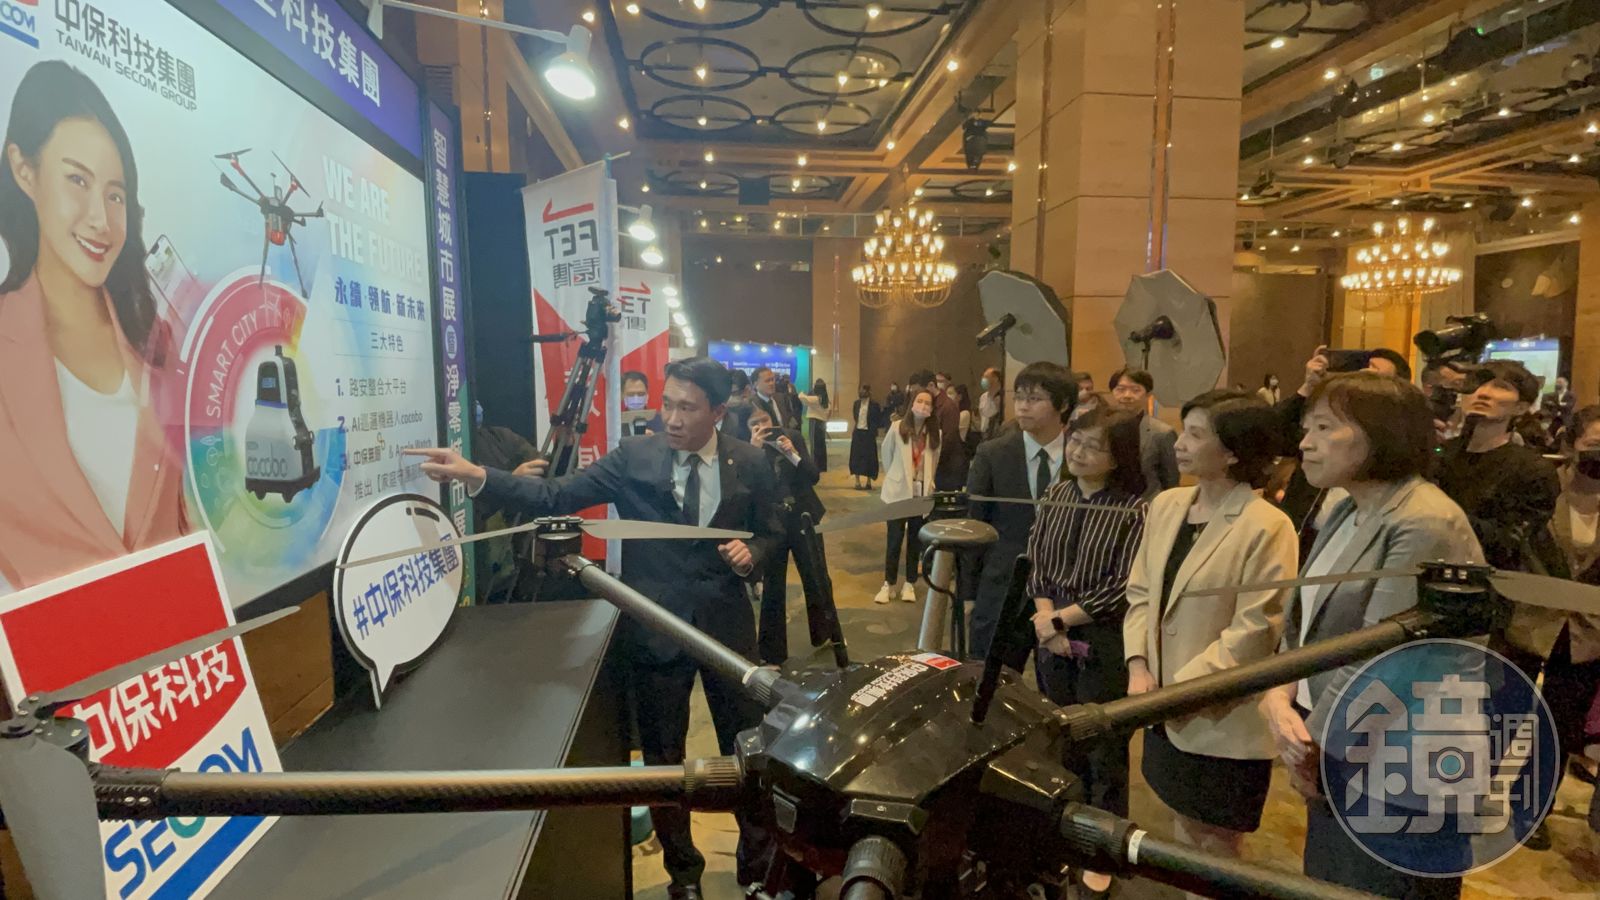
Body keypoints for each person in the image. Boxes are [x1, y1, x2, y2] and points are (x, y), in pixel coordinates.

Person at [405, 358, 782, 899]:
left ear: (718, 412)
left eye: (687, 408)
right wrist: (476, 475)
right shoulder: (634, 457)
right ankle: (684, 876)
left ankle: (759, 869)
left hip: (727, 630)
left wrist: (754, 554)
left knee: (748, 750)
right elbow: (555, 496)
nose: (672, 418)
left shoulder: (750, 461)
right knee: (663, 762)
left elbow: (772, 531)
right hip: (654, 630)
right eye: (667, 404)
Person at [1258, 372, 1482, 898]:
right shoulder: (1347, 507)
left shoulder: (1425, 520)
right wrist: (1279, 694)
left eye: (1323, 427)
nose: (1304, 442)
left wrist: (1311, 746)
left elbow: (1386, 658)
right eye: (1307, 427)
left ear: (1383, 434)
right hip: (1343, 746)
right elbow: (1305, 623)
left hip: (1401, 764)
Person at [0, 61, 189, 592]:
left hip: (175, 637)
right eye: (77, 181)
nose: (101, 220)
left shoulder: (155, 339)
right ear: (25, 171)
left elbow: (180, 523)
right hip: (46, 646)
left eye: (115, 194)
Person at [1122, 390, 1297, 884]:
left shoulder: (1268, 525)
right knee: (1182, 833)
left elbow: (1256, 629)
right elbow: (1141, 591)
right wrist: (1138, 665)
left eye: (1196, 435)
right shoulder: (1168, 504)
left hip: (1219, 711)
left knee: (1216, 850)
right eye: (1184, 430)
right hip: (1160, 702)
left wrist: (1180, 690)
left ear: (1234, 452)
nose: (1180, 443)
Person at [1025, 406, 1147, 900]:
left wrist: (1060, 621)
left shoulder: (1134, 509)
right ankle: (1063, 833)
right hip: (1048, 634)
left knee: (1105, 747)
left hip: (1101, 638)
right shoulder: (1056, 494)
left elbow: (1123, 585)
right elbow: (1037, 562)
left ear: (1118, 458)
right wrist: (1045, 618)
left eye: (1093, 446)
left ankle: (1102, 848)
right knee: (1059, 736)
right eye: (1075, 440)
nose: (1078, 451)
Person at [1500, 403, 1600, 849]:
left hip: (1587, 633)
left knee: (1556, 728)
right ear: (1572, 443)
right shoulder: (1542, 489)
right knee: (1502, 712)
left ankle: (1532, 810)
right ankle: (1469, 793)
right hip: (1529, 619)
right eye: (1595, 444)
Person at [967, 362, 1075, 658]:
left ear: (1063, 404)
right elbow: (974, 526)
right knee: (991, 674)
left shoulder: (1082, 454)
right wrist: (968, 594)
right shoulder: (992, 454)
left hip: (1066, 591)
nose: (1023, 407)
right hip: (1003, 587)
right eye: (1019, 398)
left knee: (1060, 679)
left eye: (1034, 399)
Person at [1275, 345, 1414, 557]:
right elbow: (1273, 436)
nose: (1307, 443)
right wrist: (1308, 389)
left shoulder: (1394, 463)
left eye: (1374, 374)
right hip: (1302, 543)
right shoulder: (1325, 430)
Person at [1433, 360, 1561, 574]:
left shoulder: (1533, 469)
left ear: (1521, 407)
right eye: (1477, 384)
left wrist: (1443, 517)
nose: (1483, 393)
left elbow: (1513, 540)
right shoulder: (1440, 455)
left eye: (1501, 387)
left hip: (1497, 577)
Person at [747, 405, 825, 666]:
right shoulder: (748, 450)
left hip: (803, 516)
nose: (762, 427)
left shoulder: (792, 437)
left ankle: (826, 634)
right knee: (773, 585)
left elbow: (813, 476)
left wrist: (792, 453)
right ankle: (771, 653)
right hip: (773, 524)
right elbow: (747, 488)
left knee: (816, 576)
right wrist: (754, 452)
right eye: (754, 424)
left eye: (765, 420)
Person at [875, 388, 940, 604]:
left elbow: (934, 462)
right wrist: (896, 477)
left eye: (928, 403)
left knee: (915, 540)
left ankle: (909, 583)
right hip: (897, 492)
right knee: (894, 539)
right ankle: (889, 583)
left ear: (932, 409)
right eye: (919, 401)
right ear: (912, 403)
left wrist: (926, 483)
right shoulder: (897, 428)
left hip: (920, 494)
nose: (923, 406)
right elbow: (887, 454)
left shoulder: (935, 434)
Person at [1107, 367, 1178, 499]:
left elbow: (1171, 481)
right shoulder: (1102, 427)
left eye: (1135, 390)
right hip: (1107, 504)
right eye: (1120, 389)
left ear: (1148, 395)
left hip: (1148, 503)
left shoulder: (1162, 433)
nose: (1127, 395)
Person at [930, 370, 967, 490]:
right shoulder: (934, 404)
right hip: (939, 464)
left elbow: (948, 439)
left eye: (941, 381)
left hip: (948, 466)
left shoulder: (948, 406)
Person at [848, 385, 881, 490]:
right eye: (860, 390)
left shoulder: (874, 405)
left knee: (869, 457)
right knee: (856, 457)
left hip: (869, 434)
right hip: (858, 432)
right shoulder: (856, 403)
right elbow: (855, 417)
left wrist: (873, 430)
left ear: (868, 392)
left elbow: (877, 419)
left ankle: (868, 482)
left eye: (863, 390)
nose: (861, 392)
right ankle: (857, 481)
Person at [751, 366, 800, 431]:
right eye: (767, 381)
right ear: (755, 384)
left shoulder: (782, 398)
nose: (771, 383)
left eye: (772, 379)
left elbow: (790, 421)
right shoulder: (751, 404)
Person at [797, 378, 830, 472]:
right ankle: (822, 466)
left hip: (815, 422)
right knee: (821, 445)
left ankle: (815, 466)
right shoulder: (825, 398)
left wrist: (803, 392)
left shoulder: (816, 399)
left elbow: (801, 397)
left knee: (814, 445)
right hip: (821, 423)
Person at [721, 368, 754, 441]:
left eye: (734, 393)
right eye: (726, 394)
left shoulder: (758, 413)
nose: (729, 399)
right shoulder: (720, 414)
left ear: (747, 390)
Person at [1542, 374, 1577, 440]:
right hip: (1553, 420)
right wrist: (1560, 404)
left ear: (1566, 383)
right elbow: (1546, 404)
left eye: (1560, 382)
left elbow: (1569, 406)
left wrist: (1556, 404)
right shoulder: (1551, 395)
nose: (1557, 384)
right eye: (1557, 382)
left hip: (1565, 421)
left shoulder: (1571, 395)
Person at [622, 370, 657, 436]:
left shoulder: (660, 421)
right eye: (631, 394)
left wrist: (655, 439)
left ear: (647, 395)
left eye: (641, 394)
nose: (636, 399)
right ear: (623, 396)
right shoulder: (616, 424)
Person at [976, 366, 1004, 439]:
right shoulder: (983, 397)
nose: (983, 380)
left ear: (996, 378)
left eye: (986, 377)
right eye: (983, 377)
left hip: (996, 435)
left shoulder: (1002, 397)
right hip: (984, 434)